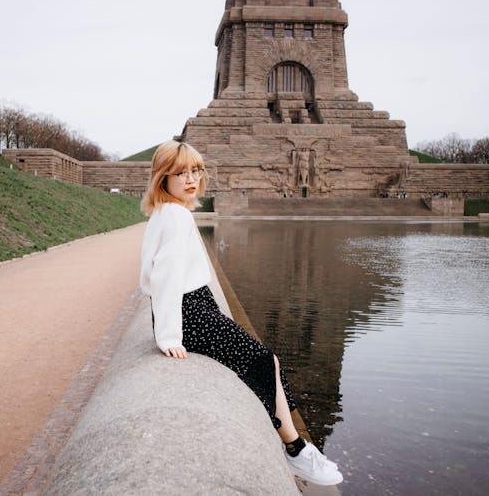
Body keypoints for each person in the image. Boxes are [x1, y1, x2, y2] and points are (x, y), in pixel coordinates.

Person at [139, 140, 343, 486]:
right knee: (263, 361)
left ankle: (295, 445)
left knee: (267, 361)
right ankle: (295, 449)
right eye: (181, 173)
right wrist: (170, 336)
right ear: (163, 178)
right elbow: (166, 277)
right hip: (190, 313)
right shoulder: (175, 217)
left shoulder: (168, 211)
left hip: (195, 306)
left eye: (195, 171)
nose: (191, 179)